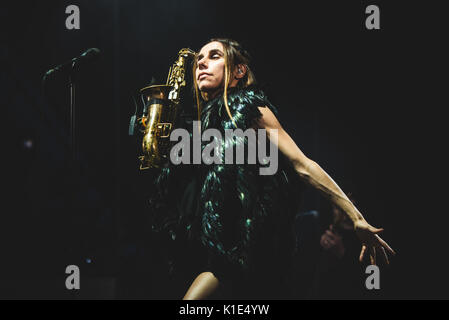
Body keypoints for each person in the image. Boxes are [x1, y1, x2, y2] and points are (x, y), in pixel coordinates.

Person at [147, 38, 395, 300]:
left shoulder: (250, 107)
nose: (202, 63)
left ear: (239, 71)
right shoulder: (206, 120)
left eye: (215, 56)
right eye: (199, 59)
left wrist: (355, 217)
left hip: (243, 253)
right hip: (210, 247)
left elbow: (302, 164)